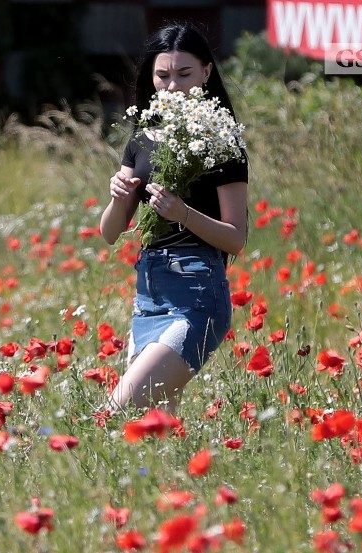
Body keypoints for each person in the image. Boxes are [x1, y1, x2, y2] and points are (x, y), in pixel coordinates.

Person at [100, 22, 248, 415]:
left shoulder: (222, 142)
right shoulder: (142, 139)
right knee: (153, 431)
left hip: (198, 293)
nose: (172, 87)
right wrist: (117, 199)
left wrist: (182, 213)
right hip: (148, 295)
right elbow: (110, 233)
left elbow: (236, 238)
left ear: (206, 73)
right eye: (162, 76)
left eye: (184, 75)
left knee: (118, 412)